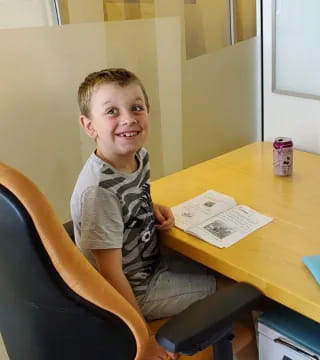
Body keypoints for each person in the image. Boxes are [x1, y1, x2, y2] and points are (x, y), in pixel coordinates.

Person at [71, 68, 216, 360]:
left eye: (136, 107)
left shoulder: (138, 156)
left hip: (151, 263)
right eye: (112, 111)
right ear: (89, 126)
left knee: (218, 262)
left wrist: (151, 207)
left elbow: (131, 198)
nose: (128, 118)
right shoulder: (99, 191)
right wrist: (143, 340)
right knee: (227, 287)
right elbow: (110, 274)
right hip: (136, 290)